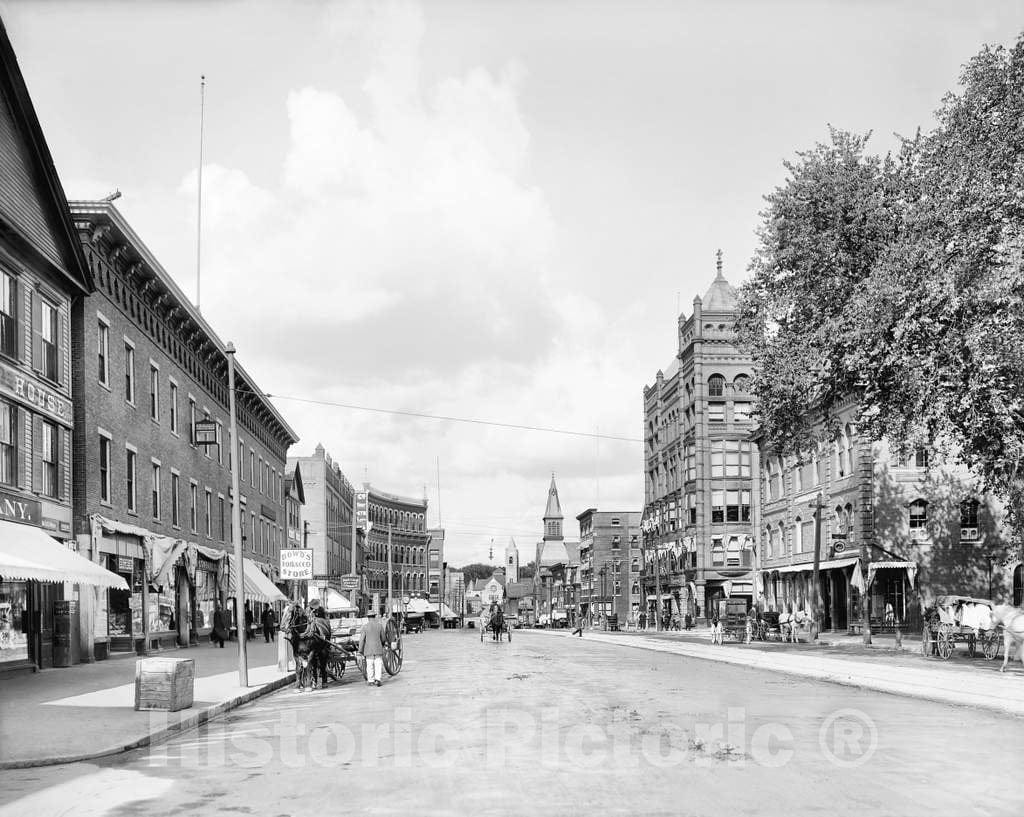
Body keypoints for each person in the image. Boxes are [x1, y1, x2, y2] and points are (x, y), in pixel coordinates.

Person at [302, 600, 332, 690]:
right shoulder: (307, 611)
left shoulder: (321, 610)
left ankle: (324, 680)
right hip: (310, 627)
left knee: (323, 658)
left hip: (320, 633)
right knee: (313, 661)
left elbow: (324, 617)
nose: (314, 609)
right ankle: (313, 679)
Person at [359, 607, 387, 687]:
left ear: (368, 617)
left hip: (368, 649)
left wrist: (360, 650)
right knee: (378, 664)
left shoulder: (365, 627)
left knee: (369, 665)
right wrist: (381, 644)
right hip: (378, 648)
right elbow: (383, 638)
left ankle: (370, 680)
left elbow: (362, 640)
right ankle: (378, 679)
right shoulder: (379, 626)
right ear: (374, 616)